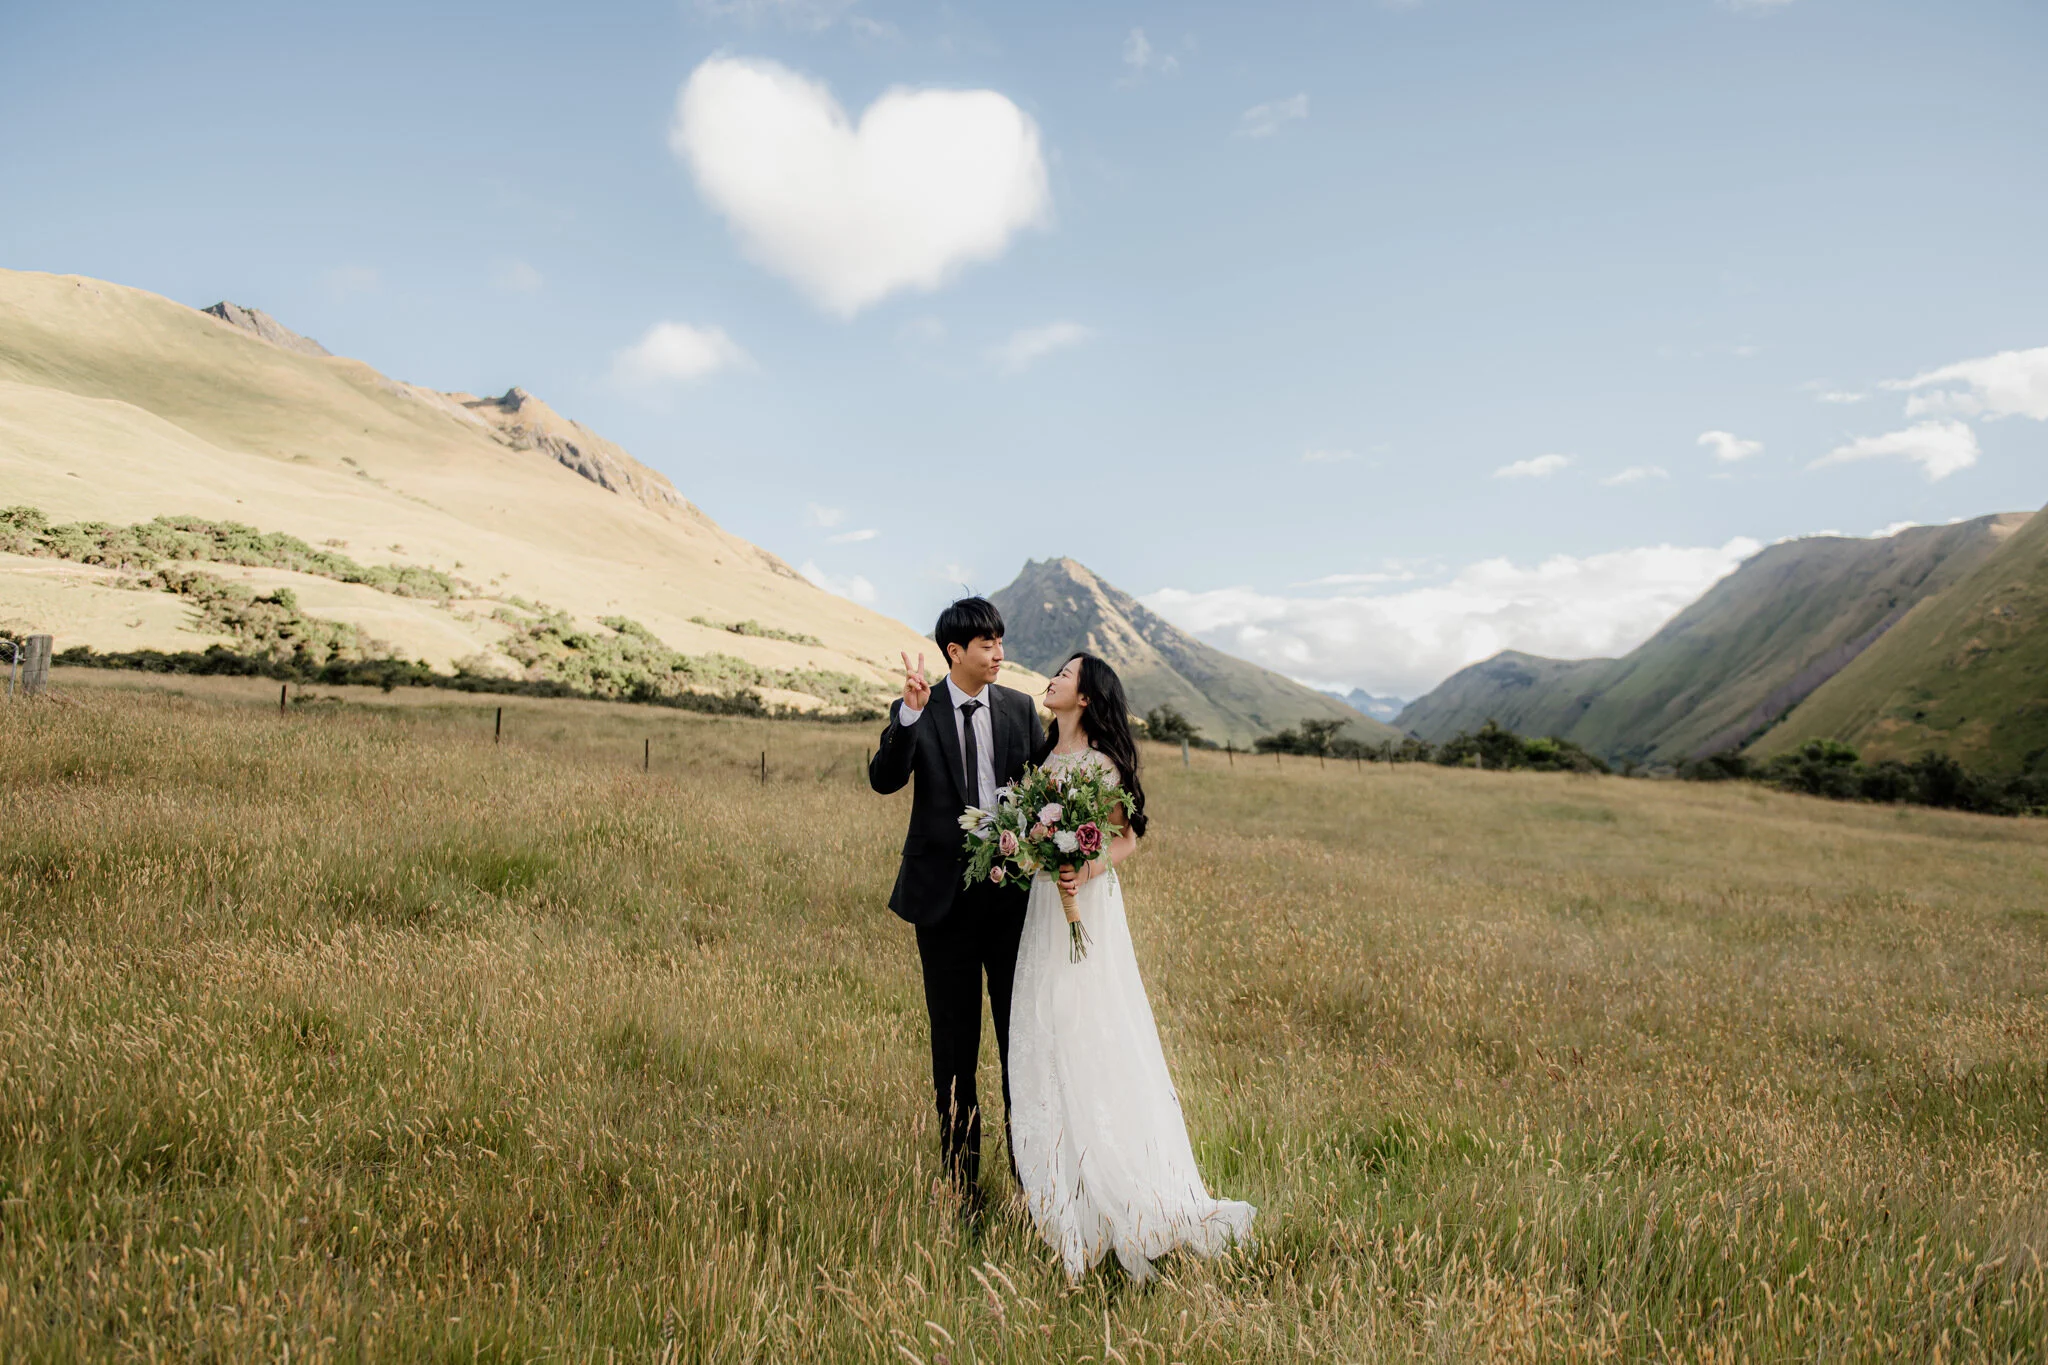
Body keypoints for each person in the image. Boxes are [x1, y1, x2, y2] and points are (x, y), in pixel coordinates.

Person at [1007, 651, 1255, 1281]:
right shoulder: (1043, 760)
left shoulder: (1103, 764)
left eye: (1066, 675)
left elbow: (1126, 837)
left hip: (1087, 903)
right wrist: (1028, 849)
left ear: (1086, 697)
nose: (1053, 679)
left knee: (1090, 1029)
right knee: (1046, 1030)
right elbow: (1032, 830)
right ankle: (1061, 1196)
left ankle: (1123, 1193)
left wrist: (1085, 868)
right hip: (1045, 905)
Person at [867, 597, 1044, 1222]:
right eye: (987, 644)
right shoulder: (922, 707)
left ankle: (1032, 1188)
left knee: (1021, 1048)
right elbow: (884, 779)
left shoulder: (1021, 709)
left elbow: (1043, 795)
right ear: (954, 652)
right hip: (942, 908)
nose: (999, 654)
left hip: (1014, 908)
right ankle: (963, 1192)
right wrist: (908, 717)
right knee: (953, 1052)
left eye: (1000, 641)